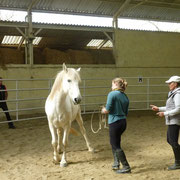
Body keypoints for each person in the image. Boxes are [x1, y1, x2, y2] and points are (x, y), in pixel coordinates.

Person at [101, 77, 131, 174]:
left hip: (115, 122)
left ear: (116, 84)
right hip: (123, 122)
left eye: (112, 84)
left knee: (115, 144)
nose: (111, 86)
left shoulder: (112, 94)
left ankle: (126, 166)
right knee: (116, 142)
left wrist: (103, 110)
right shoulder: (125, 96)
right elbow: (126, 112)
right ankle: (116, 163)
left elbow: (107, 110)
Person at [151, 75, 180, 170]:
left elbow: (178, 109)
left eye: (170, 83)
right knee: (170, 140)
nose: (168, 85)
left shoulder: (177, 94)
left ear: (175, 84)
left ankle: (178, 163)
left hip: (174, 120)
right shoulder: (173, 93)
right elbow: (170, 107)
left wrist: (165, 113)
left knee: (173, 141)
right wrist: (159, 108)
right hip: (172, 120)